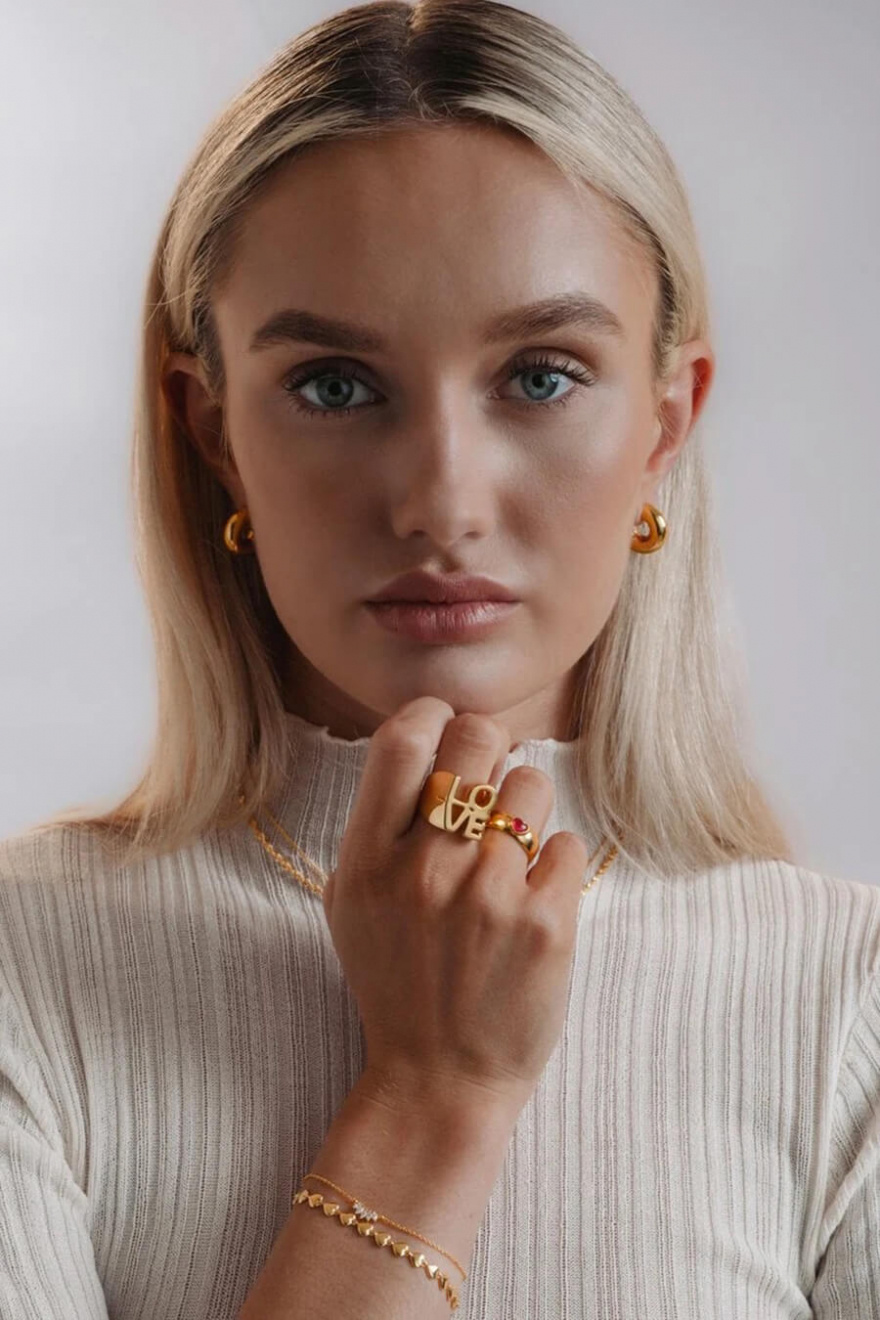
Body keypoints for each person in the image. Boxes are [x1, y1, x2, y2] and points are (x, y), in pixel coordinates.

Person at [1, 1, 877, 1316]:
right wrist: (432, 1097)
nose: (442, 504)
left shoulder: (847, 1003)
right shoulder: (24, 969)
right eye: (335, 385)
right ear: (213, 431)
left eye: (541, 376)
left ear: (665, 422)